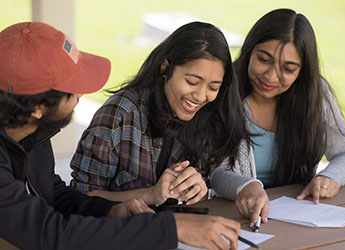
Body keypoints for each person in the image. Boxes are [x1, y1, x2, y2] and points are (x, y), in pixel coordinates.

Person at [0, 22, 241, 250]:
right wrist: (169, 228)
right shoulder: (119, 114)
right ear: (37, 108)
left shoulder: (30, 133)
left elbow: (56, 196)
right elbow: (53, 235)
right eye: (73, 89)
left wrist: (111, 210)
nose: (83, 92)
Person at [210, 8, 345, 227]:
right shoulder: (222, 90)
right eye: (264, 59)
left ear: (302, 71)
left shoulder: (315, 95)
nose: (271, 76)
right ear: (249, 50)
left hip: (297, 219)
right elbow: (214, 172)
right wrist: (245, 186)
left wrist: (330, 177)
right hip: (233, 218)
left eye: (288, 69)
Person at [70, 21, 250, 207]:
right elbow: (82, 198)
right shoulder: (119, 115)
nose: (201, 96)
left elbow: (202, 194)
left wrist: (198, 191)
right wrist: (149, 194)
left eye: (213, 87)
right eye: (192, 82)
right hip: (118, 232)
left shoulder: (207, 115)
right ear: (165, 68)